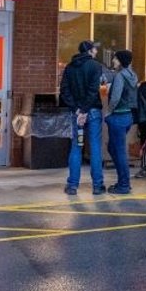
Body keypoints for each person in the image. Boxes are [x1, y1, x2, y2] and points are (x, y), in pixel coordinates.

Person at [60, 40, 106, 194]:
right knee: (94, 147)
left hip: (77, 115)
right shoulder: (95, 66)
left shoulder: (69, 67)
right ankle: (98, 186)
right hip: (92, 113)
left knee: (77, 147)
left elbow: (64, 91)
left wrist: (78, 110)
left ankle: (72, 185)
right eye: (95, 49)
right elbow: (93, 91)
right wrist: (85, 110)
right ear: (89, 51)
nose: (96, 52)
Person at [102, 49, 138, 194]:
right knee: (113, 148)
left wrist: (108, 112)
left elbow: (116, 97)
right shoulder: (132, 75)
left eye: (115, 59)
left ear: (121, 61)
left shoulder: (119, 76)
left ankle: (124, 184)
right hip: (127, 116)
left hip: (117, 116)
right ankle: (123, 181)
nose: (113, 61)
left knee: (119, 150)